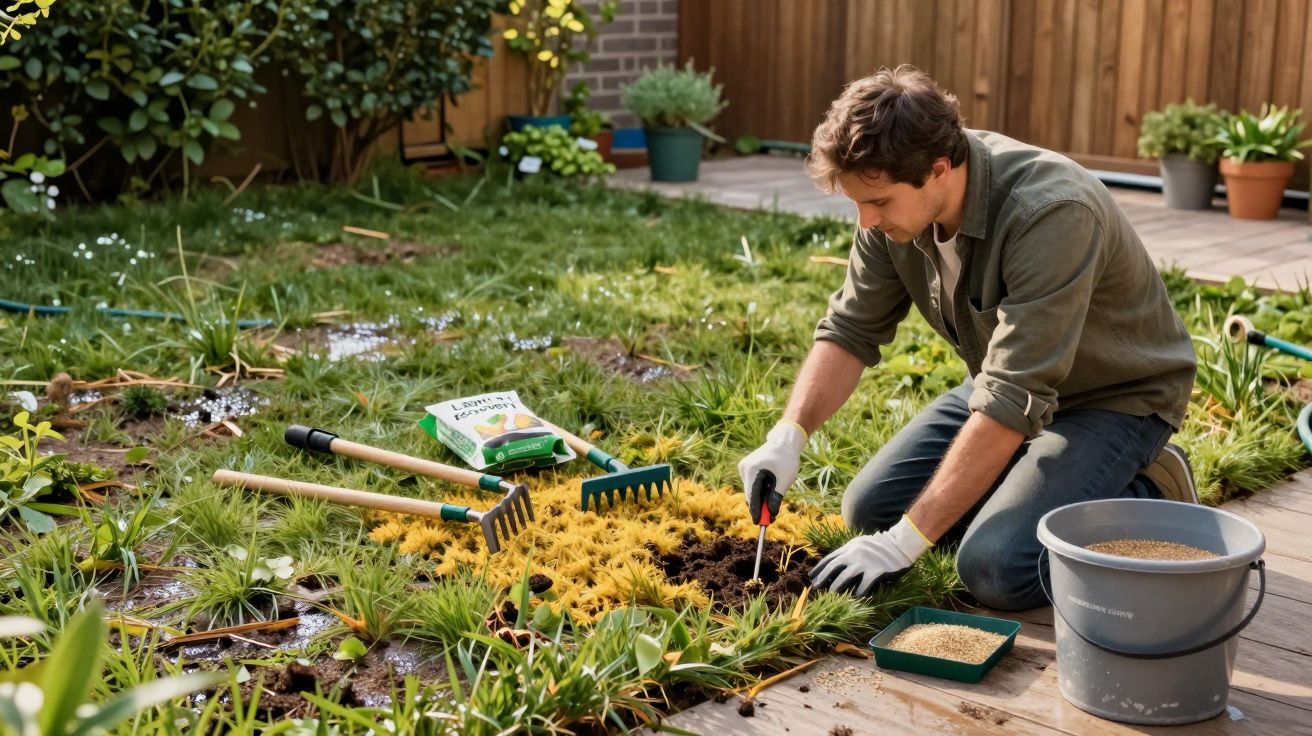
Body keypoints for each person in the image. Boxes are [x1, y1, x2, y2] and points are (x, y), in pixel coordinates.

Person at [737, 66, 1198, 610]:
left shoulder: (1049, 213)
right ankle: (1021, 482)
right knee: (870, 511)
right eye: (857, 202)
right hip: (1006, 387)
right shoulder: (894, 212)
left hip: (1114, 398)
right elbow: (851, 328)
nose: (865, 221)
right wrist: (789, 435)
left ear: (937, 170)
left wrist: (903, 545)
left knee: (997, 569)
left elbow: (1013, 394)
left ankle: (1150, 487)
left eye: (879, 202)